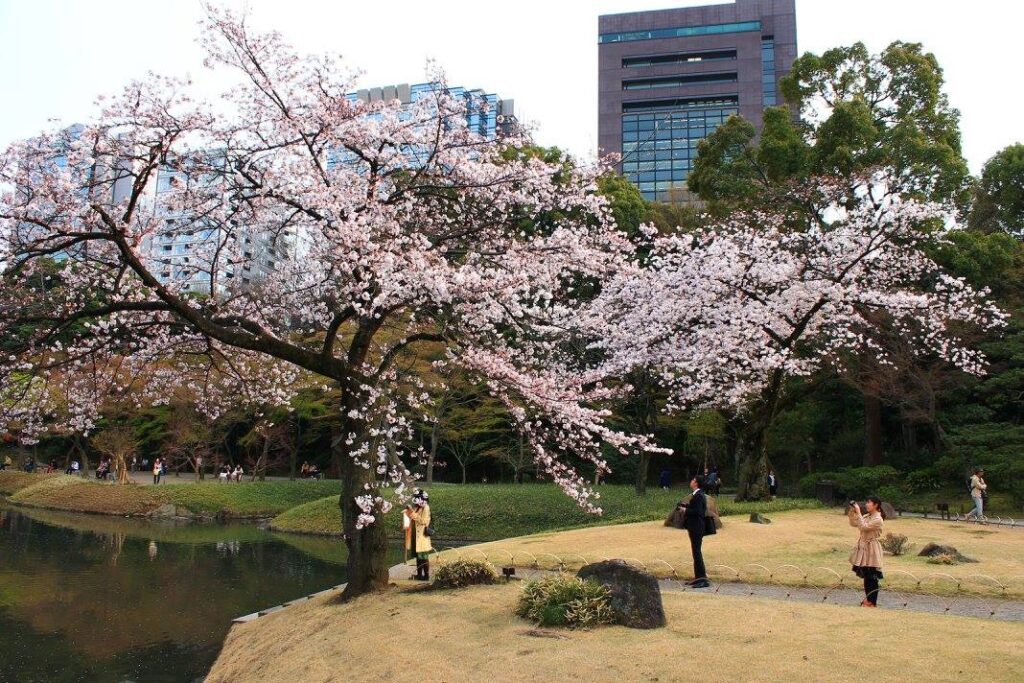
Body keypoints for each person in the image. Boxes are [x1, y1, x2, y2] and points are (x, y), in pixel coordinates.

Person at [849, 496, 885, 607]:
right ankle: (868, 600)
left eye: (869, 502)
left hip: (872, 549)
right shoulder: (867, 516)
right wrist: (853, 512)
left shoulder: (878, 519)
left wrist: (859, 511)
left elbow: (864, 527)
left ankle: (873, 602)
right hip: (864, 548)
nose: (866, 504)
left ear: (876, 505)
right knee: (866, 575)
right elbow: (854, 523)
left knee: (872, 576)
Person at [678, 475, 710, 588]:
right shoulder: (696, 495)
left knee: (697, 552)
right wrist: (686, 506)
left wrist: (685, 510)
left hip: (697, 526)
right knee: (695, 552)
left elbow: (698, 511)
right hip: (694, 526)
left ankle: (703, 579)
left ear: (696, 483)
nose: (691, 481)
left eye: (693, 480)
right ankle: (698, 577)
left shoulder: (699, 495)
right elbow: (695, 508)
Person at [405, 489, 433, 581]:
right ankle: (419, 575)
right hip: (416, 535)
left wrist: (413, 514)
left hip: (422, 536)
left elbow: (423, 521)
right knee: (418, 556)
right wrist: (410, 510)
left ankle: (426, 576)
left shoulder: (426, 507)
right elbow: (414, 516)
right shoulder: (418, 507)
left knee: (423, 557)